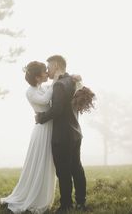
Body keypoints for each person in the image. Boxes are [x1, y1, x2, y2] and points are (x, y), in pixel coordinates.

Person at [0, 61, 56, 214]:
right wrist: (56, 81)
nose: (47, 73)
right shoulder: (30, 91)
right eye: (45, 71)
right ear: (37, 77)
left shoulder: (41, 87)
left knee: (46, 162)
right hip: (42, 130)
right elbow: (44, 101)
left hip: (49, 128)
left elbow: (50, 91)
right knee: (39, 162)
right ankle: (34, 196)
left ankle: (42, 193)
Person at [35, 55, 87, 213]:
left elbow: (57, 109)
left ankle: (66, 205)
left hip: (62, 136)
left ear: (56, 65)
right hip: (75, 132)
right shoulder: (72, 80)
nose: (47, 70)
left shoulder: (58, 85)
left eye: (48, 66)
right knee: (76, 168)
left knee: (63, 171)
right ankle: (81, 202)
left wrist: (41, 118)